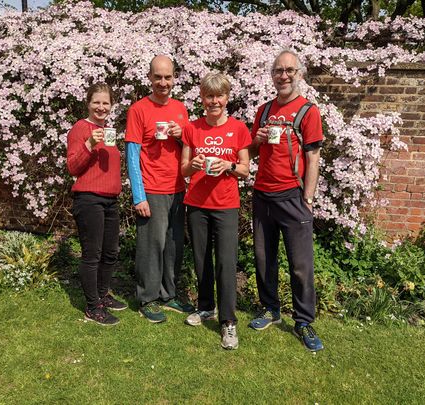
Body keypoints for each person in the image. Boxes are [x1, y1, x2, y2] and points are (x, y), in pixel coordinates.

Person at [248, 50, 325, 351]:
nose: (283, 75)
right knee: (264, 259)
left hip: (293, 197)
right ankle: (270, 308)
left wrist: (308, 196)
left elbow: (313, 155)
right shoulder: (263, 111)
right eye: (278, 70)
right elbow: (252, 151)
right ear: (272, 75)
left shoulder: (308, 111)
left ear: (300, 74)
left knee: (301, 265)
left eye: (289, 70)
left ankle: (304, 321)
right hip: (263, 195)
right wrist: (259, 138)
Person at [181, 73, 251, 350]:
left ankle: (228, 322)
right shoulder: (192, 128)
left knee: (225, 262)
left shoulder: (239, 129)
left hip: (225, 205)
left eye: (219, 96)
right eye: (209, 96)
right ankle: (206, 307)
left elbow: (245, 170)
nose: (214, 101)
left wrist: (229, 166)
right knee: (201, 261)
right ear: (202, 98)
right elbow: (183, 169)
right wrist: (195, 165)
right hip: (197, 204)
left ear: (226, 98)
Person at [125, 55, 194, 323]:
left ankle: (169, 294)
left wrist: (181, 135)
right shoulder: (138, 110)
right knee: (151, 246)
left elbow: (188, 150)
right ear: (149, 78)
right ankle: (147, 298)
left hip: (177, 187)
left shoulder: (180, 109)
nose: (162, 82)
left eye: (167, 77)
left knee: (174, 245)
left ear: (174, 78)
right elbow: (132, 155)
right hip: (152, 188)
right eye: (158, 77)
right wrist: (138, 195)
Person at [67, 82, 127, 326]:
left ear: (111, 105)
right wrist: (89, 144)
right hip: (89, 198)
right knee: (92, 255)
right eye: (97, 102)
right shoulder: (80, 128)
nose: (101, 107)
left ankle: (103, 295)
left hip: (110, 199)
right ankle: (93, 307)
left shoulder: (109, 131)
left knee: (110, 252)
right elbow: (73, 166)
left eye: (106, 103)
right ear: (88, 103)